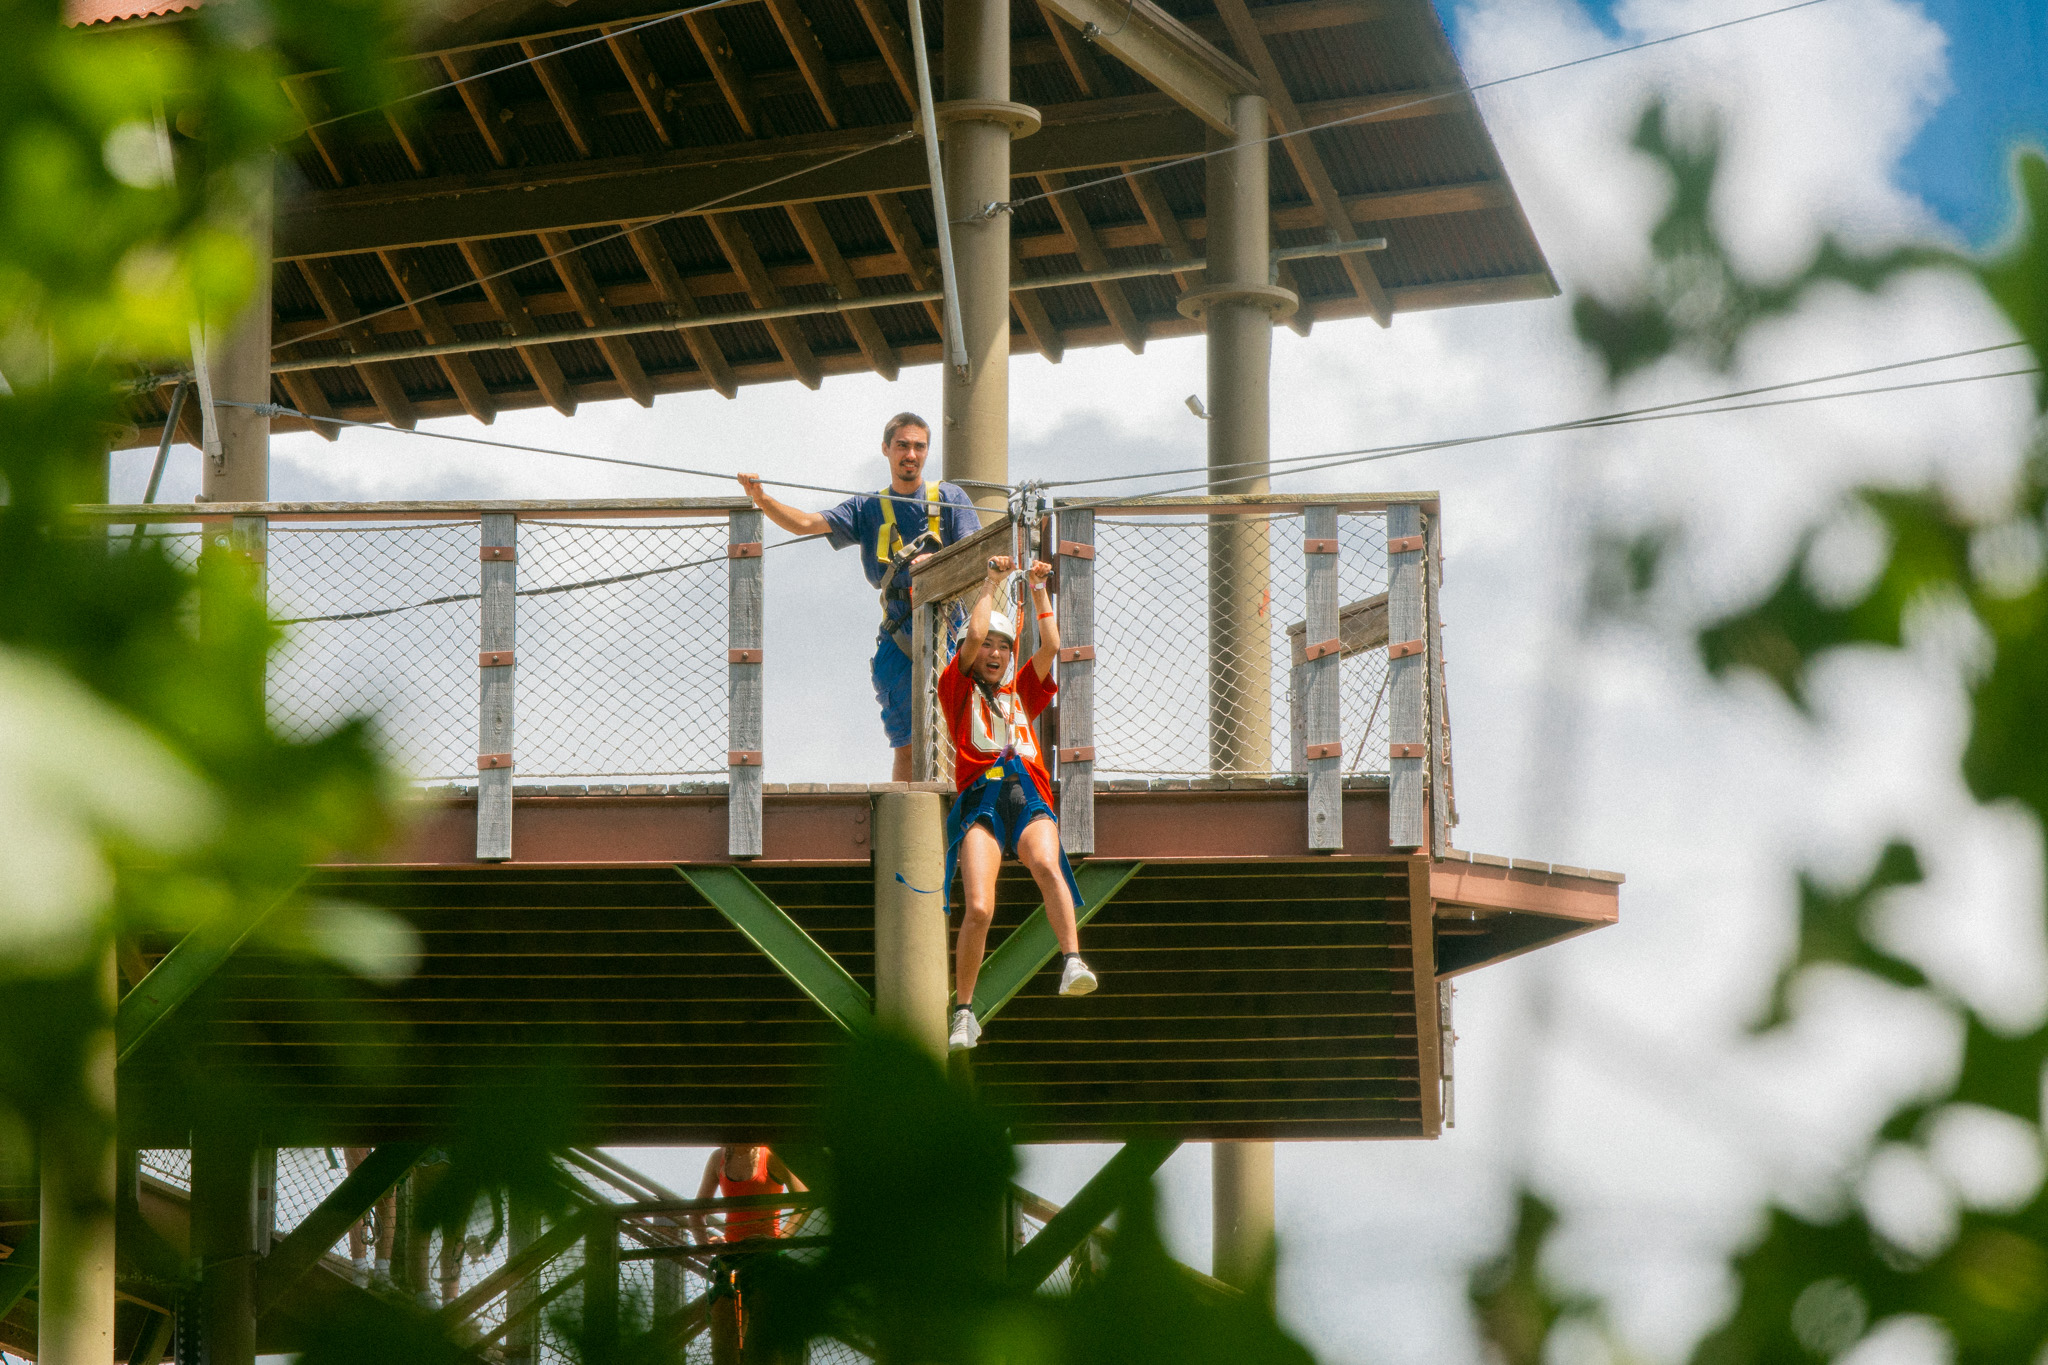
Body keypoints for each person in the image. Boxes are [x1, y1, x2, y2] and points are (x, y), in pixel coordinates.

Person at [738, 412, 981, 781]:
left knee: (957, 736)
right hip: (900, 634)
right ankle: (907, 822)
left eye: (919, 446)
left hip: (950, 630)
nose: (910, 454)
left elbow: (975, 556)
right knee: (908, 745)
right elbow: (805, 523)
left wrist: (939, 561)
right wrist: (762, 498)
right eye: (902, 445)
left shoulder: (949, 498)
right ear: (886, 449)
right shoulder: (868, 508)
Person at [939, 555, 1098, 1054]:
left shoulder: (1020, 691)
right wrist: (991, 582)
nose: (996, 652)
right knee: (981, 908)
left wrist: (1037, 589)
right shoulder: (957, 688)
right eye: (989, 644)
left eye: (1004, 647)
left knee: (1048, 863)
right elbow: (971, 637)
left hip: (1027, 794)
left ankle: (1072, 959)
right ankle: (964, 1011)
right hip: (981, 802)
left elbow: (1051, 645)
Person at [690, 1146, 807, 1365]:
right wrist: (705, 1245)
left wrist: (782, 1238)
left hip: (767, 1256)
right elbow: (697, 1213)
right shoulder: (719, 1158)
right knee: (722, 1309)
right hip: (732, 1255)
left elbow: (804, 1200)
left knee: (763, 1312)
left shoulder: (771, 1156)